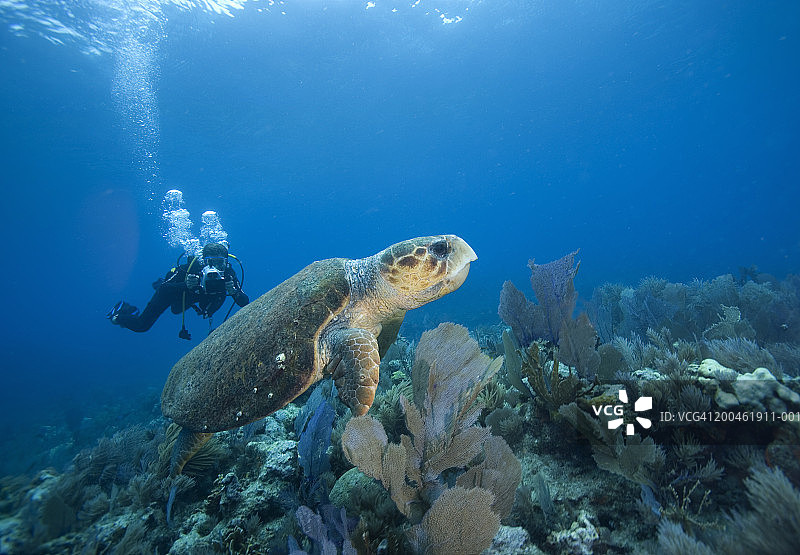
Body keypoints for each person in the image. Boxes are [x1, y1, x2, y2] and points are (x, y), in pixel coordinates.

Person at [107, 243, 249, 339]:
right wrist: (185, 285)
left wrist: (235, 292)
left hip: (192, 299)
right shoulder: (190, 270)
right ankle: (117, 315)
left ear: (226, 261)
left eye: (220, 262)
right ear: (203, 261)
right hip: (174, 292)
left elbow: (244, 302)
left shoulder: (229, 273)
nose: (216, 267)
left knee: (177, 310)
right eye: (210, 262)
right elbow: (165, 288)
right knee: (141, 326)